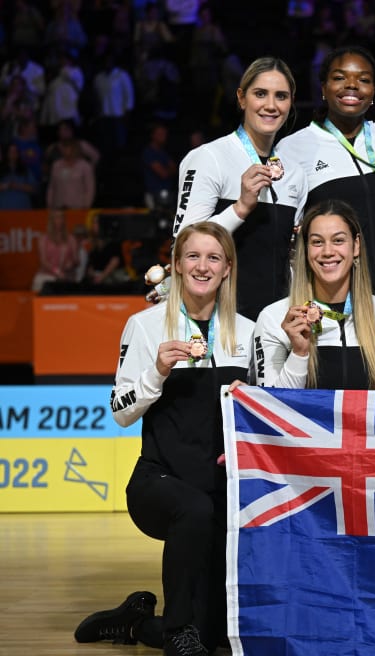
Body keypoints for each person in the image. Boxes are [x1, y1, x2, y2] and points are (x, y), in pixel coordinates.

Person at [74, 222, 254, 656]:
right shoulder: (145, 325)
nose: (202, 265)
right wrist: (156, 372)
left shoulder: (247, 332)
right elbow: (119, 411)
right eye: (192, 256)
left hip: (220, 490)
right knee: (193, 509)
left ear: (228, 268)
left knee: (210, 635)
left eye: (214, 257)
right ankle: (176, 635)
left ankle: (137, 622)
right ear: (175, 265)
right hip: (158, 483)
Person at [279, 46, 375, 310]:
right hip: (332, 299)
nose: (352, 85)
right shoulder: (294, 148)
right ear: (323, 87)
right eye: (340, 78)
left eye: (363, 80)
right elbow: (288, 233)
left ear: (373, 92)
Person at [171, 56, 306, 322]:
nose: (270, 105)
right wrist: (240, 208)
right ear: (242, 98)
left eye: (281, 96)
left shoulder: (296, 173)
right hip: (218, 322)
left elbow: (288, 258)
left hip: (274, 325)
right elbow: (182, 244)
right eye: (260, 94)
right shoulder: (208, 158)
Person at [252, 199, 375, 389]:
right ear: (305, 249)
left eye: (338, 240)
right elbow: (271, 408)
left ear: (356, 246)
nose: (328, 251)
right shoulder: (273, 317)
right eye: (317, 242)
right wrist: (299, 353)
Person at [31, 208, 79, 291]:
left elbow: (76, 260)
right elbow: (43, 261)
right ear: (51, 220)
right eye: (56, 218)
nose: (59, 221)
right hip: (46, 276)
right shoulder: (43, 239)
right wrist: (56, 271)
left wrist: (72, 263)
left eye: (61, 218)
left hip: (66, 278)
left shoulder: (71, 239)